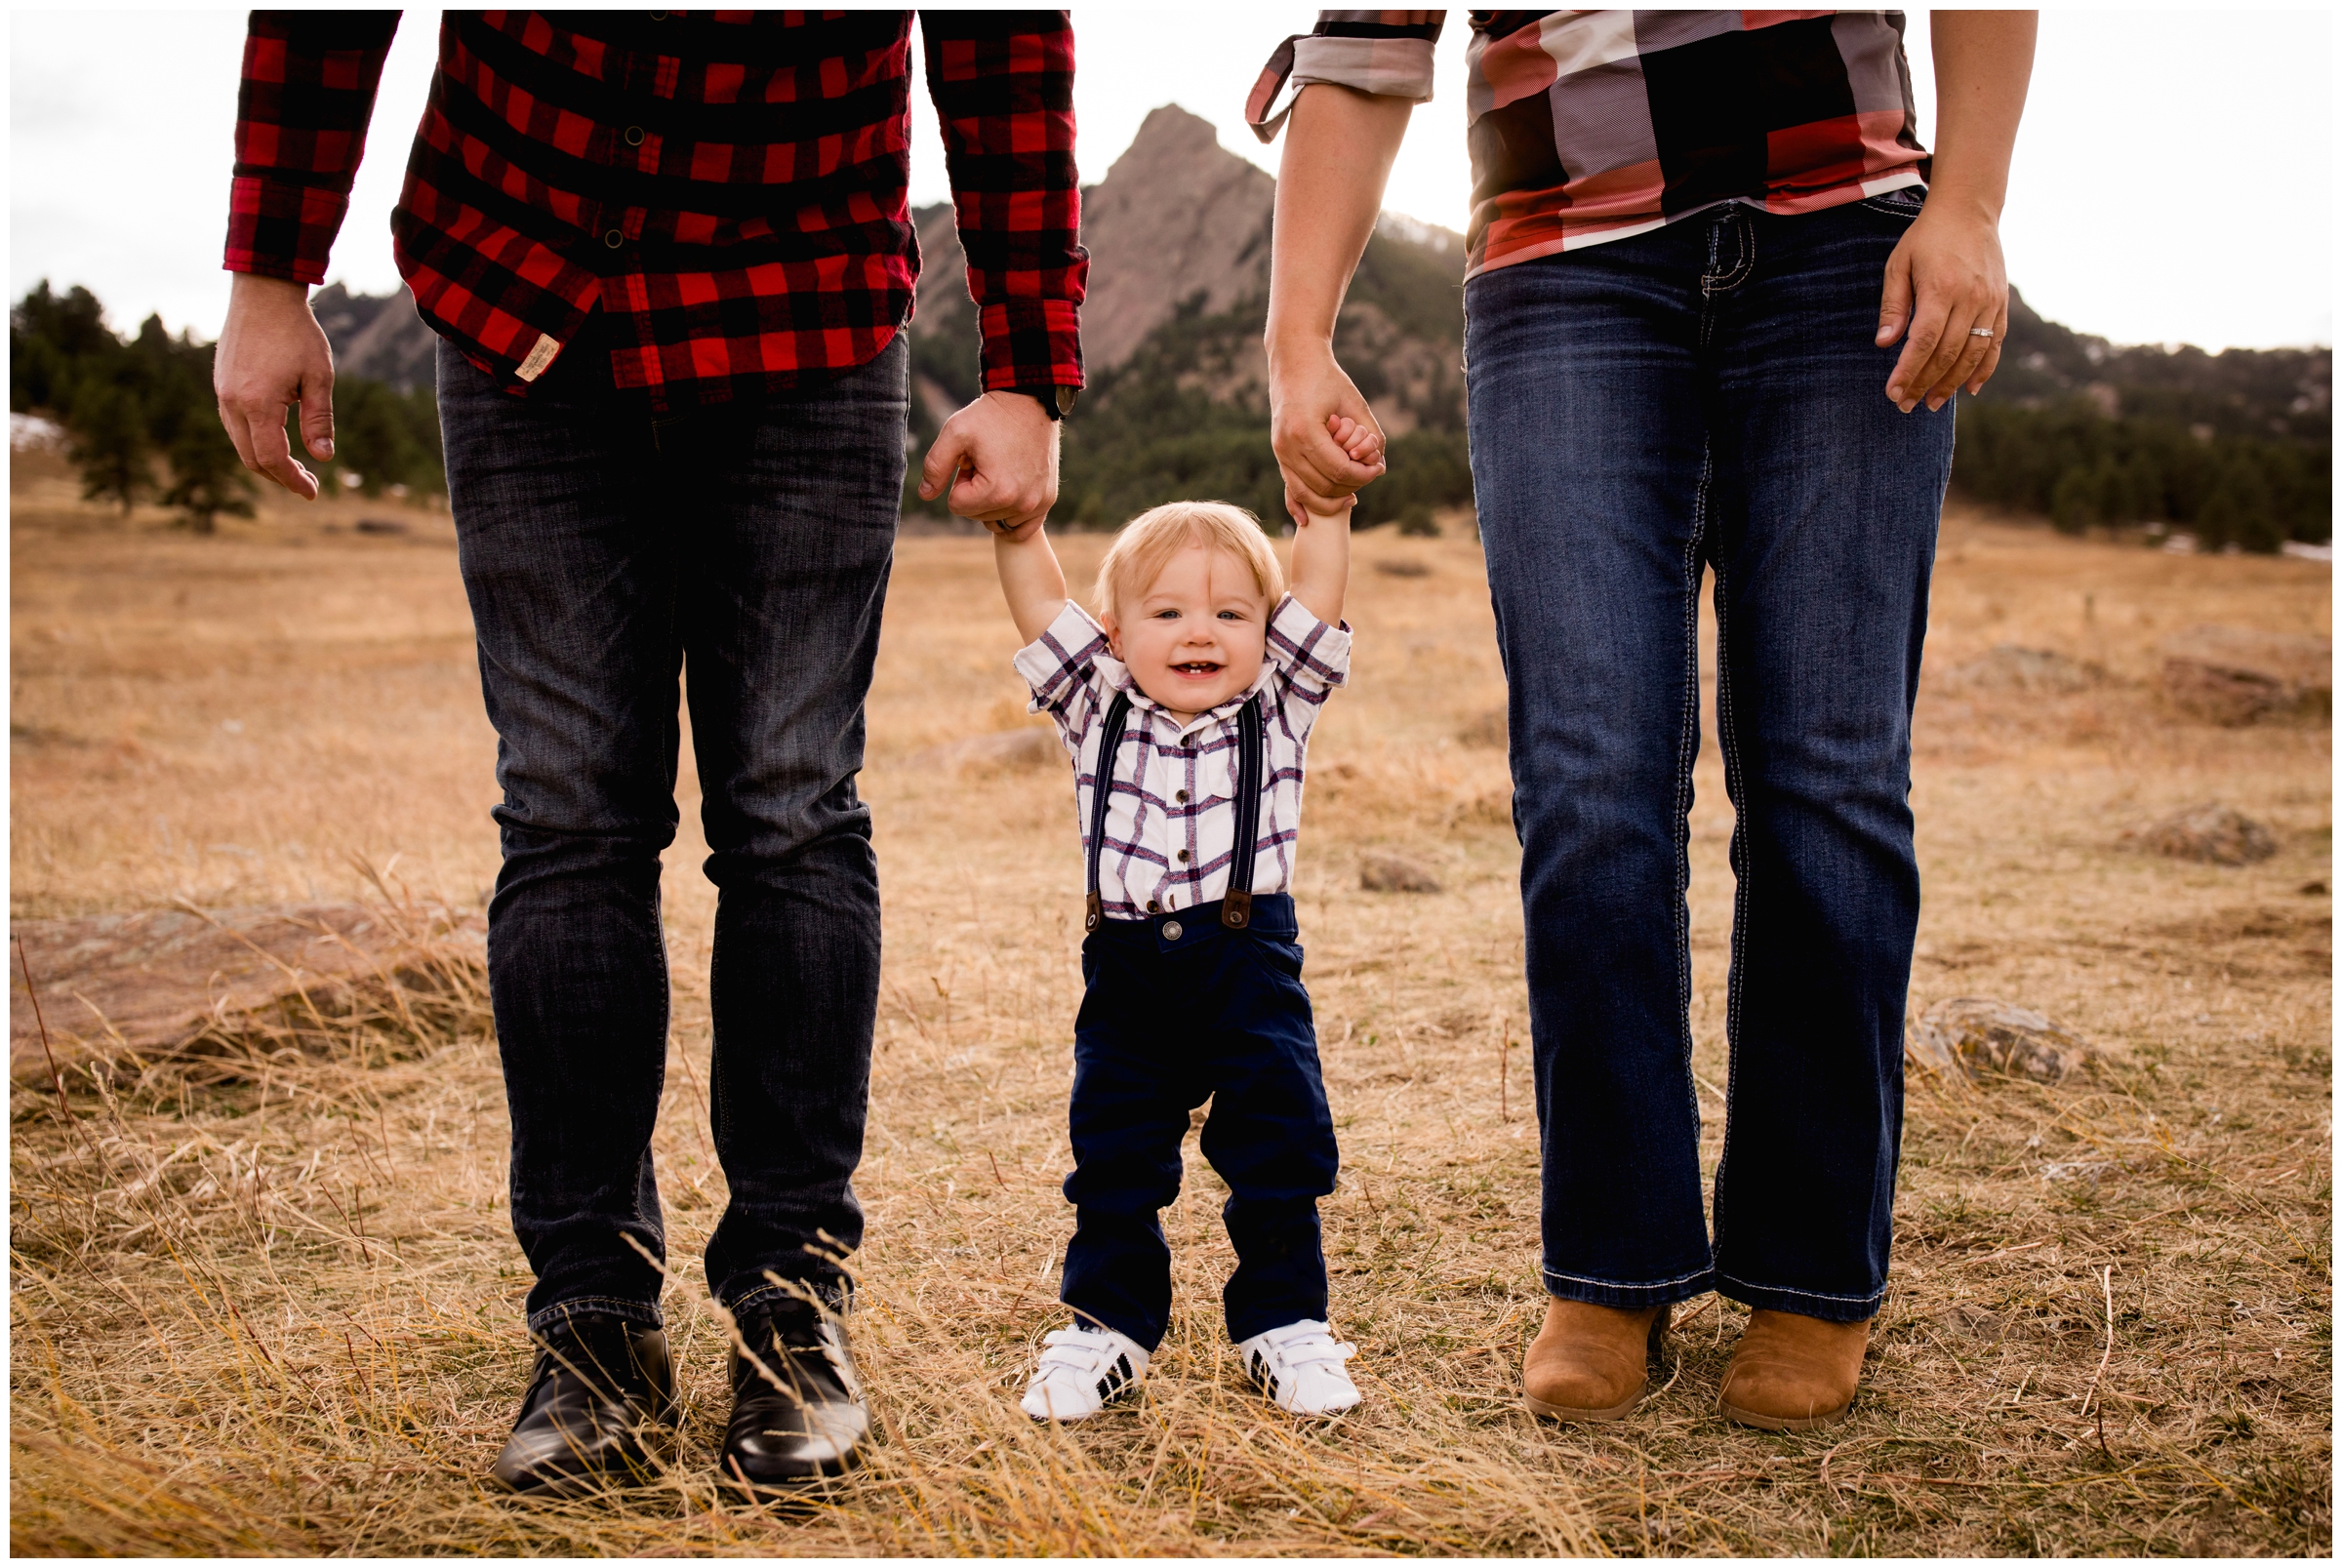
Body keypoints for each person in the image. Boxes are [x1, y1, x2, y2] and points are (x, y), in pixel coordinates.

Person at [212, 11, 1087, 1494]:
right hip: (525, 285)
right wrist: (270, 271)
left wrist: (1025, 363)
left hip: (803, 297)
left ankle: (790, 1314)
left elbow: (1007, 35)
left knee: (795, 812)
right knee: (566, 817)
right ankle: (594, 1326)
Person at [1254, 11, 2035, 1429]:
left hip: (1845, 231)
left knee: (1827, 778)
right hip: (1562, 270)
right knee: (1591, 782)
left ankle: (1810, 1272)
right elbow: (1363, 51)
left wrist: (1969, 199)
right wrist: (1297, 340)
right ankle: (1612, 1263)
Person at [987, 473, 1373, 1422]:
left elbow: (1320, 599)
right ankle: (1105, 1327)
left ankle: (1285, 1323)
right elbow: (1041, 601)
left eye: (1232, 612)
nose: (1200, 632)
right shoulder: (1095, 703)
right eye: (1166, 611)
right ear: (1114, 633)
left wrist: (1328, 515)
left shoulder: (1276, 707)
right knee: (1114, 1149)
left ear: (1267, 634)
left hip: (1248, 966)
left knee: (1279, 1142)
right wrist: (1019, 523)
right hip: (1126, 974)